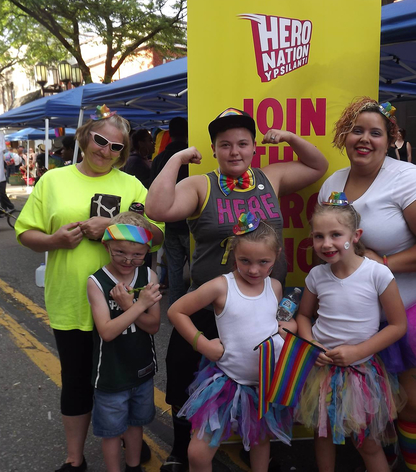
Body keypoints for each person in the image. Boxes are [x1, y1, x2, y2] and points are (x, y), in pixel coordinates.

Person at [146, 108, 328, 472]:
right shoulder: (202, 184)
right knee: (185, 374)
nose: (234, 151)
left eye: (243, 143)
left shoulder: (270, 177)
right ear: (214, 148)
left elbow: (317, 166)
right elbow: (157, 207)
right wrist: (179, 157)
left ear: (253, 148)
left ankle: (262, 448)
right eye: (225, 144)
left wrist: (290, 138)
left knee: (264, 377)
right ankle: (182, 449)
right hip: (212, 302)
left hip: (266, 304)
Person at [318, 98, 416, 472]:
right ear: (345, 134)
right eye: (357, 130)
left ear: (391, 139)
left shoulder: (410, 179)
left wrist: (383, 265)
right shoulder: (332, 183)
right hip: (357, 316)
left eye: (376, 132)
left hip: (415, 308)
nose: (365, 139)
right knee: (377, 402)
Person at [15, 104, 164, 472]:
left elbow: (157, 236)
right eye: (100, 141)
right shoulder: (53, 180)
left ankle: (132, 445)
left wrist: (113, 225)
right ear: (85, 138)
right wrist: (54, 241)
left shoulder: (130, 184)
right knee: (78, 381)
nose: (106, 151)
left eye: (117, 148)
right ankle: (74, 458)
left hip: (124, 304)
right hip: (72, 300)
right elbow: (25, 233)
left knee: (128, 378)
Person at [167, 214, 295, 472]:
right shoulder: (221, 286)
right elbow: (176, 311)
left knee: (260, 441)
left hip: (264, 383)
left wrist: (285, 328)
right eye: (245, 261)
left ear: (276, 256)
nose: (254, 269)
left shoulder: (276, 287)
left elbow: (275, 322)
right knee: (198, 454)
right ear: (233, 252)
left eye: (263, 262)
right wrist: (202, 344)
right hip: (226, 382)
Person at [296, 197, 407, 472]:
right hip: (321, 370)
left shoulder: (378, 274)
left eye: (336, 235)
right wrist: (310, 342)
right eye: (319, 236)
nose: (326, 243)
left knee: (367, 442)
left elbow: (397, 325)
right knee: (321, 433)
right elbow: (303, 315)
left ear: (355, 236)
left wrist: (358, 351)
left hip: (360, 372)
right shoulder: (316, 276)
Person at [88, 212, 162, 472]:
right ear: (106, 245)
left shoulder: (149, 277)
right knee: (110, 431)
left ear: (146, 251)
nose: (129, 260)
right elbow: (107, 332)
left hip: (141, 369)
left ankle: (133, 466)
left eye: (138, 254)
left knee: (135, 424)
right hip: (110, 373)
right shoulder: (96, 282)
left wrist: (130, 305)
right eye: (119, 252)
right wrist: (137, 306)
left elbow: (153, 326)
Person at [149, 117, 189, 300]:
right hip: (191, 222)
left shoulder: (159, 160)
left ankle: (175, 306)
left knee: (174, 269)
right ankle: (192, 311)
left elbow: (153, 190)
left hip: (169, 224)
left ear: (169, 134)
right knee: (196, 269)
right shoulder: (192, 157)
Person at [0, 131, 15, 213]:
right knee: (1, 193)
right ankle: (4, 208)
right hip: (2, 176)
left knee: (1, 193)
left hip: (1, 177)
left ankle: (9, 206)